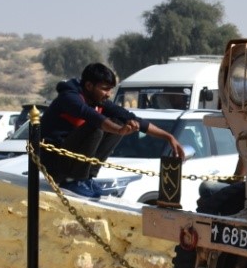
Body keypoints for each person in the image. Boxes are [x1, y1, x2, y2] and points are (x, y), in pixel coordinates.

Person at [38, 63, 182, 197]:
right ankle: (73, 180)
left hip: (69, 159)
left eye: (110, 90)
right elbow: (94, 118)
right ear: (89, 86)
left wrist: (168, 137)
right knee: (97, 127)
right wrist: (120, 131)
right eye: (105, 89)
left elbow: (130, 117)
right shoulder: (70, 98)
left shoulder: (98, 101)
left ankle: (87, 178)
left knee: (118, 121)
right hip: (53, 164)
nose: (108, 94)